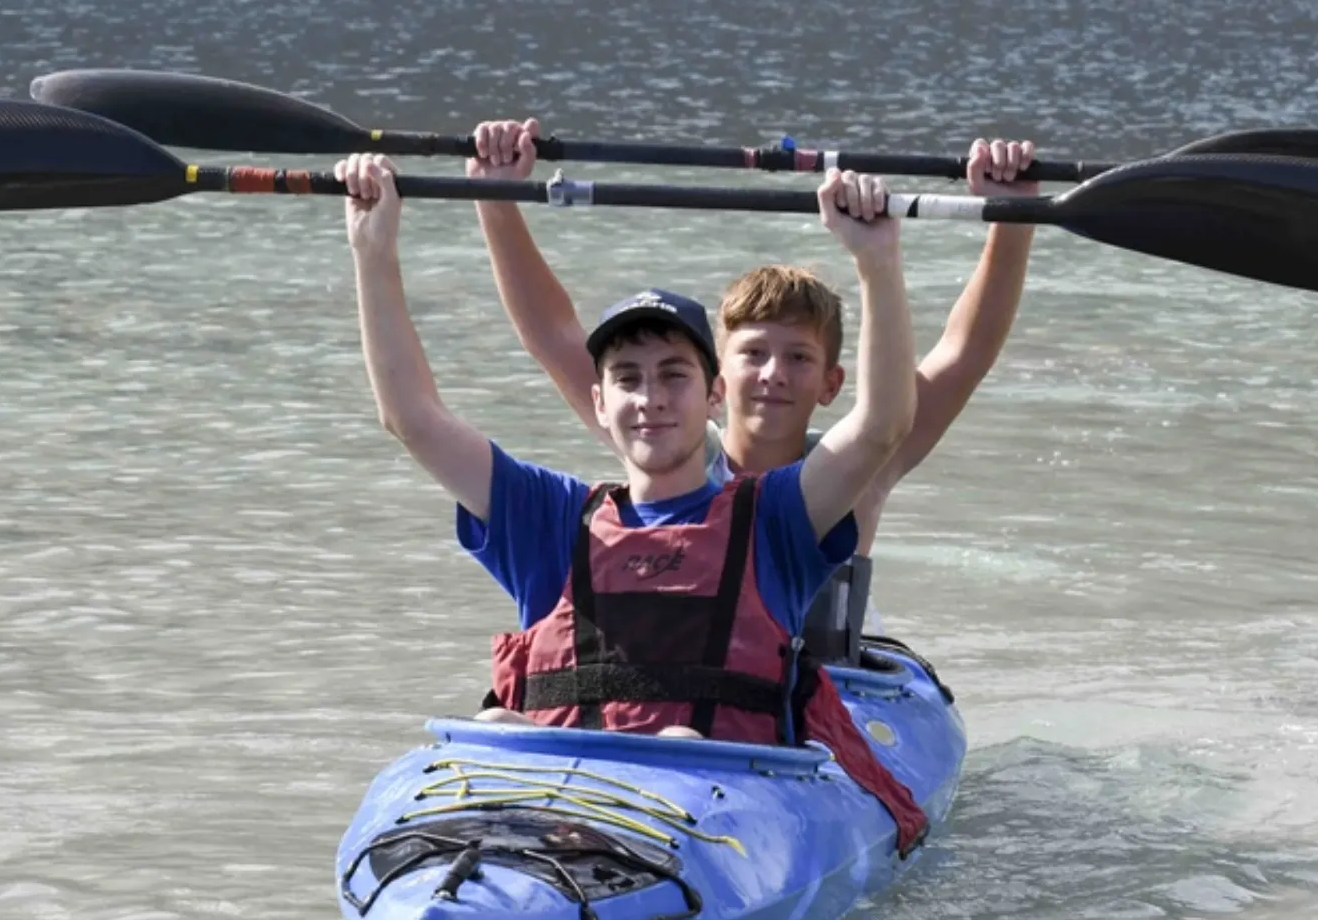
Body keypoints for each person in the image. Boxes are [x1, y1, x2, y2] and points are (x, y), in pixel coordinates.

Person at [334, 152, 929, 853]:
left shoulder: (774, 520)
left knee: (679, 739)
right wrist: (372, 251)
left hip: (703, 828)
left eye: (674, 375)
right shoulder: (548, 519)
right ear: (599, 401)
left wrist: (877, 264)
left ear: (713, 395)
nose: (650, 398)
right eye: (628, 378)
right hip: (542, 818)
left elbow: (881, 426)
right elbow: (413, 418)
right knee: (497, 727)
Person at [468, 119, 1038, 662]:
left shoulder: (862, 464)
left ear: (831, 384)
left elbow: (964, 353)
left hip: (830, 686)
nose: (773, 375)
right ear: (716, 378)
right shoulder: (669, 440)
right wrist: (495, 201)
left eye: (798, 358)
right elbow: (556, 336)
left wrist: (1011, 219)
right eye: (754, 355)